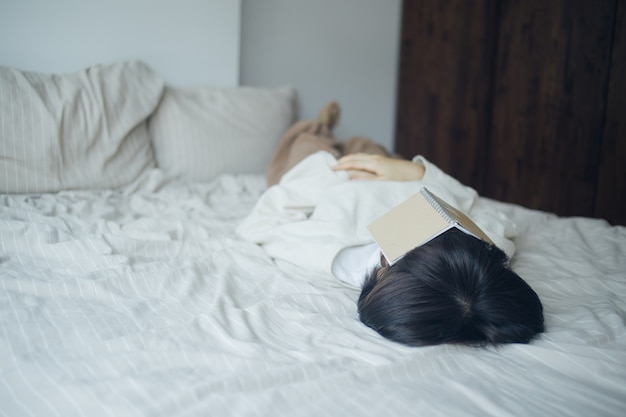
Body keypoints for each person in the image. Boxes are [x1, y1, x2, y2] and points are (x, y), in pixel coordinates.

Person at [238, 102, 544, 347]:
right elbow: (480, 207)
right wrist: (415, 172)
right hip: (395, 177)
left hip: (323, 179)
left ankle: (322, 122)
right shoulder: (480, 255)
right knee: (370, 146)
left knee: (308, 142)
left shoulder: (337, 258)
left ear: (383, 274)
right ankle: (359, 147)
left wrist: (337, 173)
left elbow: (261, 223)